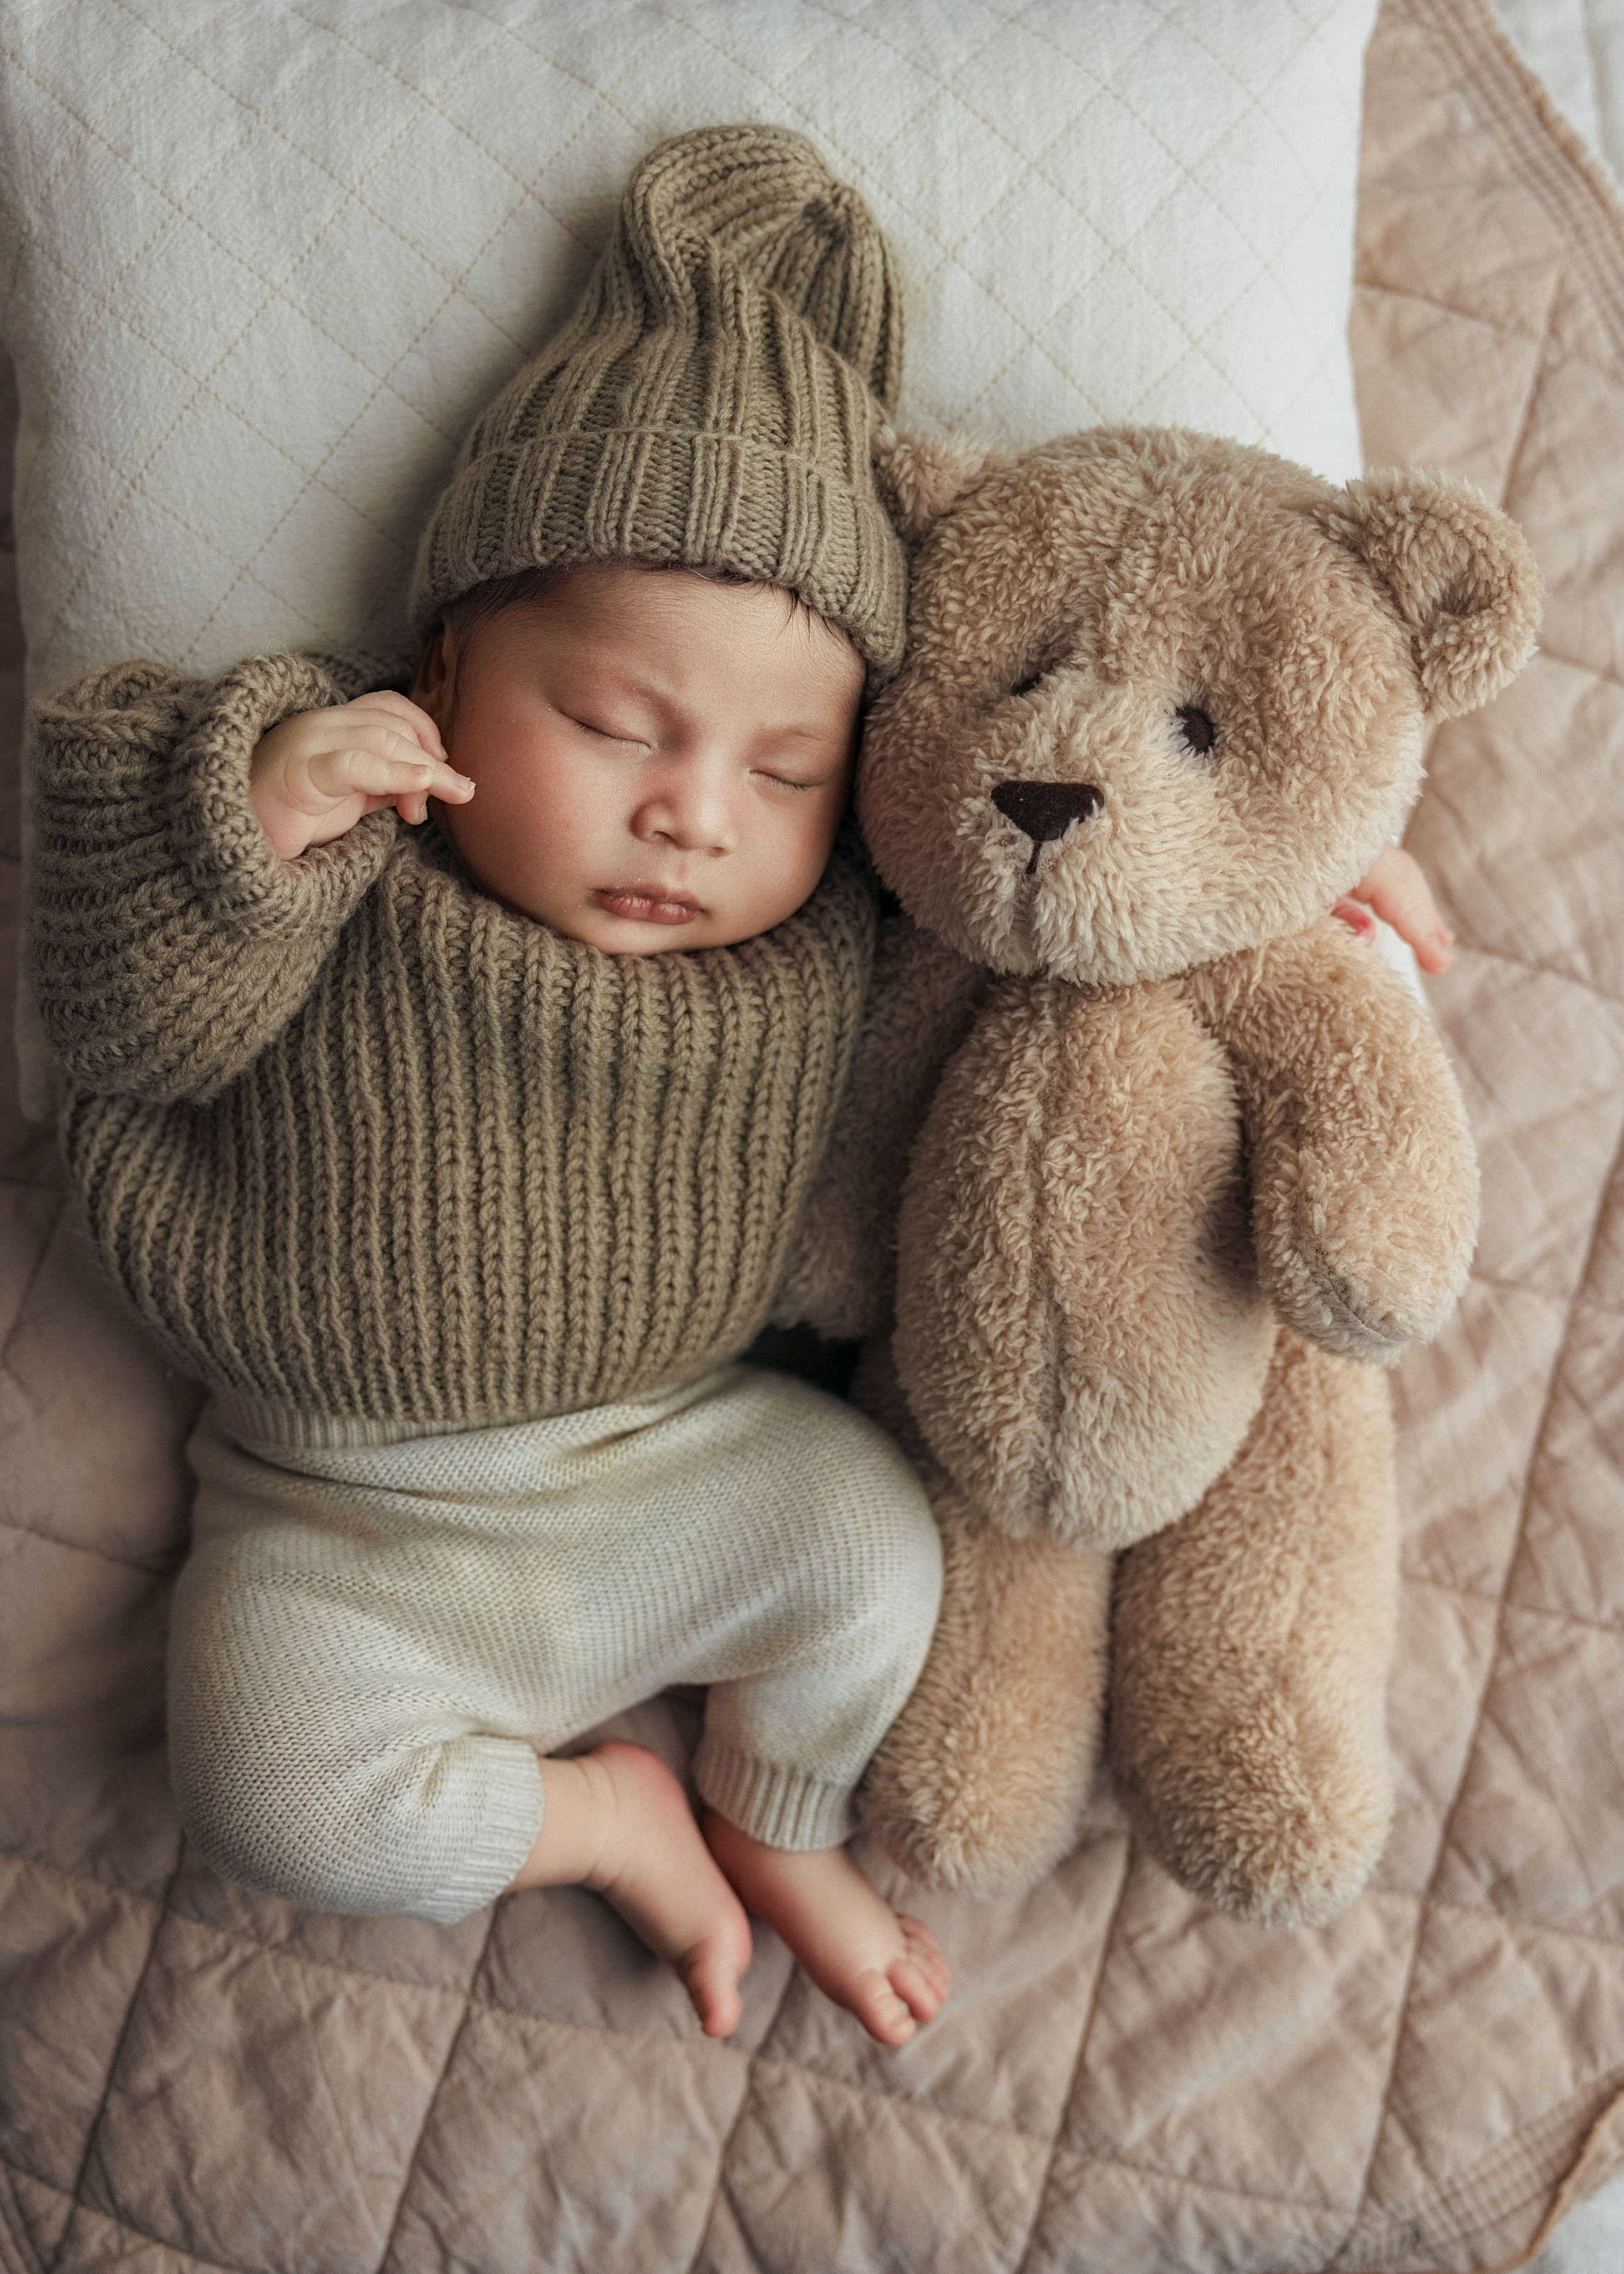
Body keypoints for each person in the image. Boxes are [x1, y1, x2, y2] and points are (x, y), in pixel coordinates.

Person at [29, 124, 950, 2049]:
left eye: (784, 774)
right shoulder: (342, 822)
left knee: (870, 1542)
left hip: (670, 1468)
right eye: (618, 725)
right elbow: (119, 1019)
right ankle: (606, 1819)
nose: (696, 812)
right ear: (445, 669)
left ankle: (775, 1807)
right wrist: (257, 813)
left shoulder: (824, 937)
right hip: (334, 1516)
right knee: (268, 1786)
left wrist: (1308, 873)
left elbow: (1041, 875)